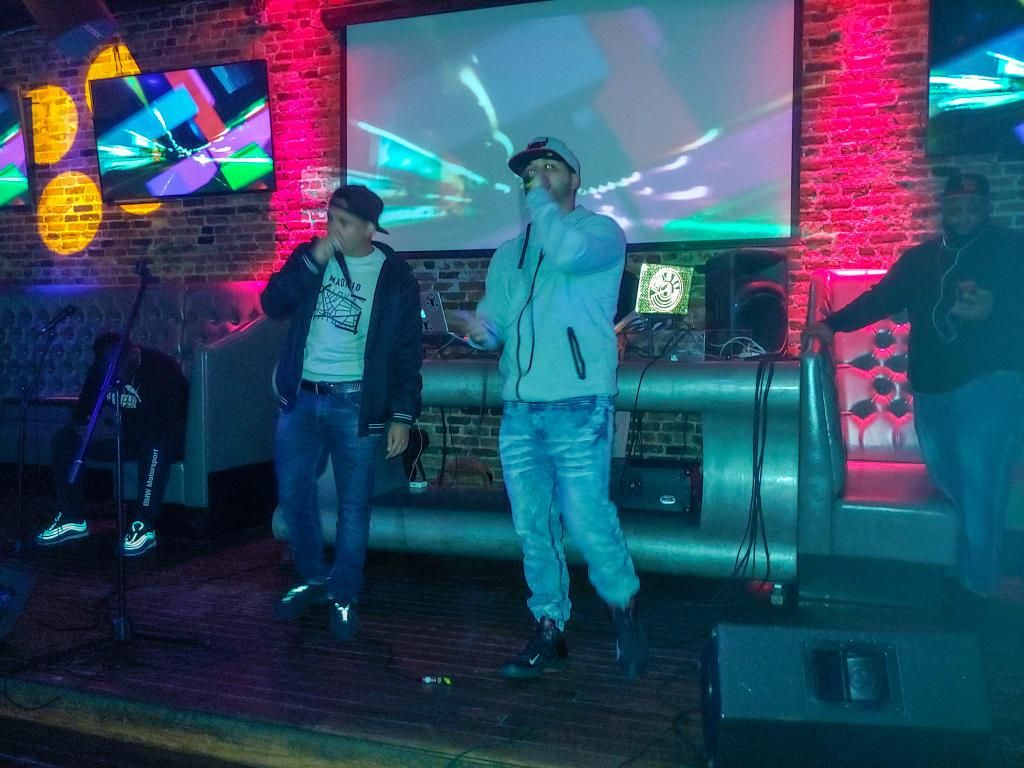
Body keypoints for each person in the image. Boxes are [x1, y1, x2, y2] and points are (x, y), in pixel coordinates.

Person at [465, 136, 648, 679]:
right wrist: (480, 331)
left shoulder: (601, 234)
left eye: (551, 166)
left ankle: (624, 612)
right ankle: (549, 625)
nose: (539, 176)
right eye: (531, 170)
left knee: (588, 519)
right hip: (521, 410)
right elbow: (496, 321)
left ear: (575, 178)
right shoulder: (509, 253)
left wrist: (541, 206)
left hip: (579, 403)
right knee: (533, 527)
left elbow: (565, 253)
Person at [804, 172, 1024, 601]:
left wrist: (995, 311)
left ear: (987, 208)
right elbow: (880, 298)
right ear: (944, 209)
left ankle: (977, 586)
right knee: (950, 480)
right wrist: (831, 324)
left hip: (989, 386)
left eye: (973, 207)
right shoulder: (921, 258)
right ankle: (963, 568)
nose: (964, 215)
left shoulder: (1011, 250)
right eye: (956, 207)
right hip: (930, 388)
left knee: (982, 484)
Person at [262, 183, 423, 642]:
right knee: (293, 494)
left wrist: (402, 415)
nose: (332, 229)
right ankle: (314, 578)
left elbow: (407, 354)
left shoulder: (395, 277)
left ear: (370, 228)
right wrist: (312, 261)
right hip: (302, 397)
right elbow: (272, 304)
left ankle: (345, 592)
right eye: (330, 218)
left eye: (344, 223)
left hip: (355, 401)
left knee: (353, 506)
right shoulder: (311, 259)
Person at [36, 332, 188, 557]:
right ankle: (71, 518)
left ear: (133, 355)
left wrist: (121, 427)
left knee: (155, 445)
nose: (114, 371)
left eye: (118, 365)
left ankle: (143, 524)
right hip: (121, 436)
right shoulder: (100, 371)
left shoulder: (161, 368)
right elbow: (82, 413)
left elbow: (170, 420)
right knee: (65, 439)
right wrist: (90, 427)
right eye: (108, 366)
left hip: (160, 438)